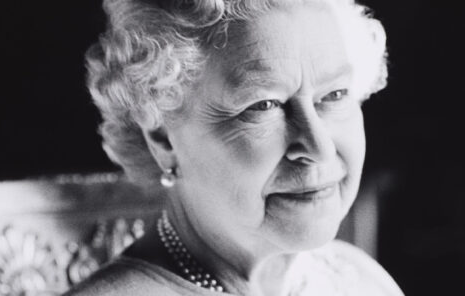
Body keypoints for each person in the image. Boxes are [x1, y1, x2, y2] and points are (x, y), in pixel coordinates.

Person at [65, 0, 399, 294]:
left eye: (335, 95)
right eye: (263, 105)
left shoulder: (359, 280)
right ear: (162, 138)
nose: (319, 147)